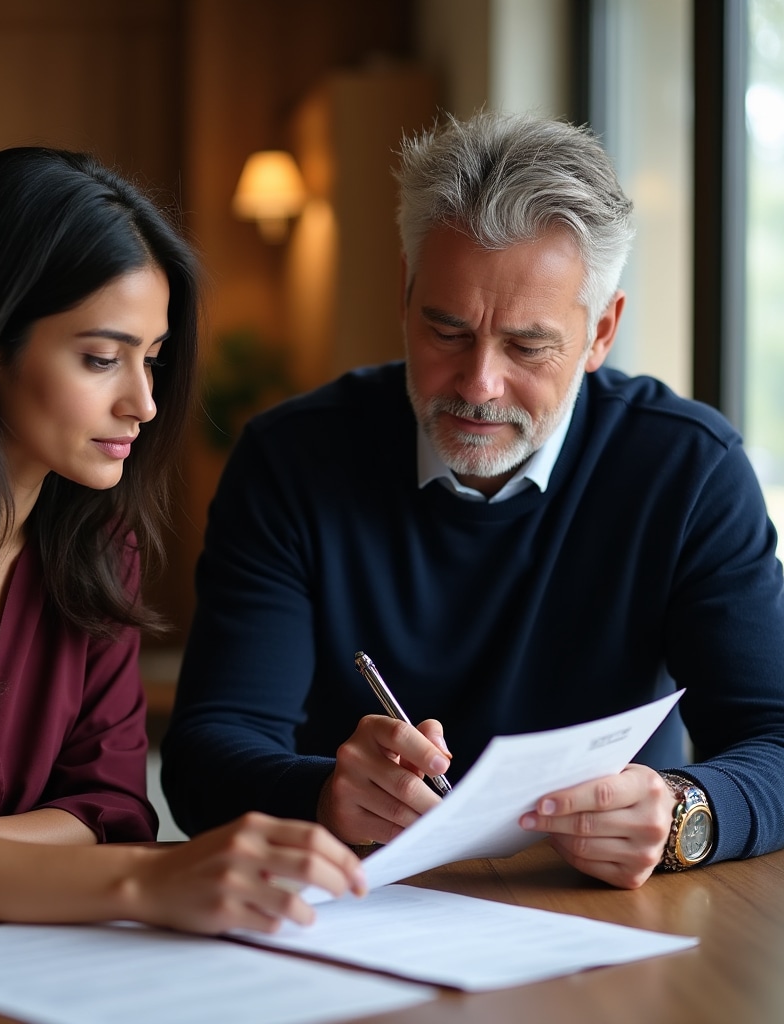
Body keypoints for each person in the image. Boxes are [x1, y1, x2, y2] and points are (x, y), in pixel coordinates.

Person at [161, 111, 784, 890]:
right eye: (447, 332)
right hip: (359, 907)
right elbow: (205, 755)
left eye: (527, 346)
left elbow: (775, 738)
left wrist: (687, 810)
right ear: (405, 293)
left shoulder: (688, 469)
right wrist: (321, 794)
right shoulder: (291, 460)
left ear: (601, 332)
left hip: (610, 910)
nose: (480, 384)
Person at [0, 146, 366, 931]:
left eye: (153, 360)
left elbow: (113, 811)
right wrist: (136, 883)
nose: (144, 403)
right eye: (101, 359)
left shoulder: (100, 552)